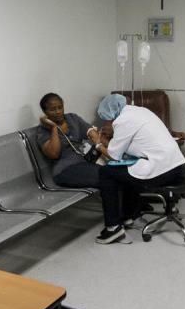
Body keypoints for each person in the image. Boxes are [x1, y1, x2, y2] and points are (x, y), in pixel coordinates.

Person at [94, 94, 185, 244]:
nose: (107, 122)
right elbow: (134, 144)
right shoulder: (141, 111)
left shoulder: (122, 121)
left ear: (110, 113)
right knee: (127, 169)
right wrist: (111, 138)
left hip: (163, 171)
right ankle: (132, 216)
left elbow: (113, 156)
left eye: (106, 119)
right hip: (175, 166)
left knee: (106, 173)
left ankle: (113, 229)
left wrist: (97, 142)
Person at [36, 93, 128, 243]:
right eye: (53, 109)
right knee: (108, 177)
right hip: (65, 170)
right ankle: (114, 227)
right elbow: (53, 153)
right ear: (45, 112)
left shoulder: (72, 118)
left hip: (86, 162)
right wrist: (53, 128)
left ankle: (128, 215)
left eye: (60, 107)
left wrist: (99, 142)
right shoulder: (42, 131)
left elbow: (91, 132)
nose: (58, 111)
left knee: (118, 170)